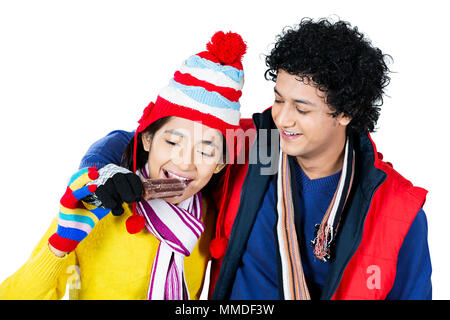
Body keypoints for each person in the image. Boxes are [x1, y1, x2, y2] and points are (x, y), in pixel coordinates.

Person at [30, 17, 432, 300]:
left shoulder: (396, 208)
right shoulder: (255, 147)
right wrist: (104, 173)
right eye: (278, 99)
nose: (283, 118)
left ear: (346, 113)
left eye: (302, 109)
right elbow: (143, 137)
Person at [0, 31, 247, 300]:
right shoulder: (98, 200)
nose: (184, 162)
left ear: (221, 163)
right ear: (147, 139)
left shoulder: (209, 219)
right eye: (173, 142)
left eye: (205, 150)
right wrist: (60, 245)